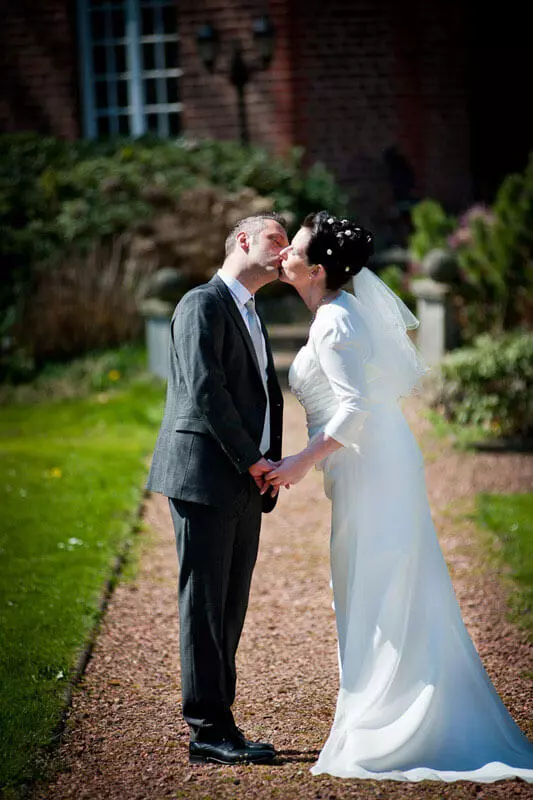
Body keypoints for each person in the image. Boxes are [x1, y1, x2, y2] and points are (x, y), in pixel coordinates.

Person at [265, 210, 533, 782]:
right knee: (377, 581)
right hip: (373, 459)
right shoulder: (336, 311)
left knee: (378, 582)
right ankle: (385, 703)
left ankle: (388, 721)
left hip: (371, 465)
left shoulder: (334, 323)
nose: (284, 250)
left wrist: (299, 464)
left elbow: (355, 407)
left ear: (314, 270)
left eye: (295, 248)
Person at [146, 212, 288, 765]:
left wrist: (268, 462)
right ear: (244, 241)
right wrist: (254, 460)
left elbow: (261, 394)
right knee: (205, 606)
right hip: (206, 474)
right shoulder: (202, 303)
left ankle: (220, 721)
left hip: (245, 478)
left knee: (229, 608)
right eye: (276, 238)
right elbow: (206, 392)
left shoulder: (251, 310)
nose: (283, 249)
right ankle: (207, 730)